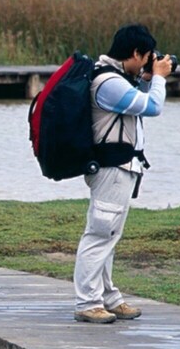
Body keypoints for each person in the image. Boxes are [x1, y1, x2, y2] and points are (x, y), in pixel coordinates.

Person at [73, 24, 172, 324]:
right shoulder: (108, 82)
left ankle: (108, 297)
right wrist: (158, 78)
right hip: (111, 169)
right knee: (99, 234)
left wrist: (145, 77)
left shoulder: (116, 78)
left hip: (120, 168)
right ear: (135, 53)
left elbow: (136, 104)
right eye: (146, 58)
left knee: (109, 234)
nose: (147, 64)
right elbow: (152, 106)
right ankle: (87, 302)